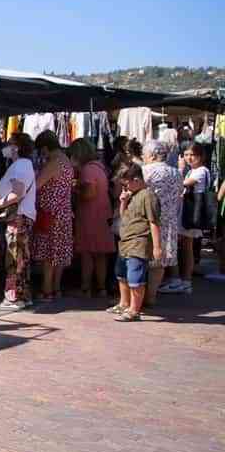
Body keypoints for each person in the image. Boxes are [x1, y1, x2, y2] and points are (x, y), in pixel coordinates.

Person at [108, 163, 162, 322]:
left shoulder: (148, 195)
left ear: (136, 179)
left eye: (126, 184)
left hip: (139, 242)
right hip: (125, 242)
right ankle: (124, 303)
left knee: (135, 278)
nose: (125, 188)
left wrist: (157, 247)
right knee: (121, 275)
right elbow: (124, 216)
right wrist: (123, 201)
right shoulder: (132, 194)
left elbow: (154, 222)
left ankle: (134, 309)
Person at [0, 133, 36, 309]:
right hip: (23, 216)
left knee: (14, 257)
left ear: (16, 147)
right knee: (21, 257)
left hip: (17, 218)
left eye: (10, 144)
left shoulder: (20, 165)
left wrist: (0, 202)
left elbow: (18, 192)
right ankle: (22, 294)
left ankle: (14, 296)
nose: (6, 147)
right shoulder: (24, 165)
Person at [32, 130, 75, 302]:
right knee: (59, 254)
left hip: (51, 212)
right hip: (63, 211)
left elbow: (36, 185)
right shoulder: (66, 160)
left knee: (49, 254)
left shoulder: (54, 163)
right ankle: (56, 289)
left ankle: (46, 290)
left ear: (45, 148)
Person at [68, 137, 114, 298]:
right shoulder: (100, 166)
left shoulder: (87, 170)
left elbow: (89, 193)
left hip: (90, 215)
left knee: (87, 253)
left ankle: (85, 288)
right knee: (101, 254)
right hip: (102, 213)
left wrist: (75, 189)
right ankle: (101, 288)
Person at [167, 142, 212, 295]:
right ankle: (182, 280)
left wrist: (179, 169)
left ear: (200, 156)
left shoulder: (200, 171)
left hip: (191, 212)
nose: (189, 158)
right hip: (186, 211)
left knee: (187, 247)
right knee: (186, 246)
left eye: (192, 155)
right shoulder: (192, 170)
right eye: (186, 155)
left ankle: (185, 280)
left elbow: (181, 184)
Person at [142, 141, 182, 302]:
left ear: (152, 155)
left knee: (142, 258)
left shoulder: (146, 171)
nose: (143, 157)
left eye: (144, 154)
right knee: (159, 262)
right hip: (170, 220)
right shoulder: (176, 173)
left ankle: (138, 298)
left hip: (149, 220)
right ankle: (151, 295)